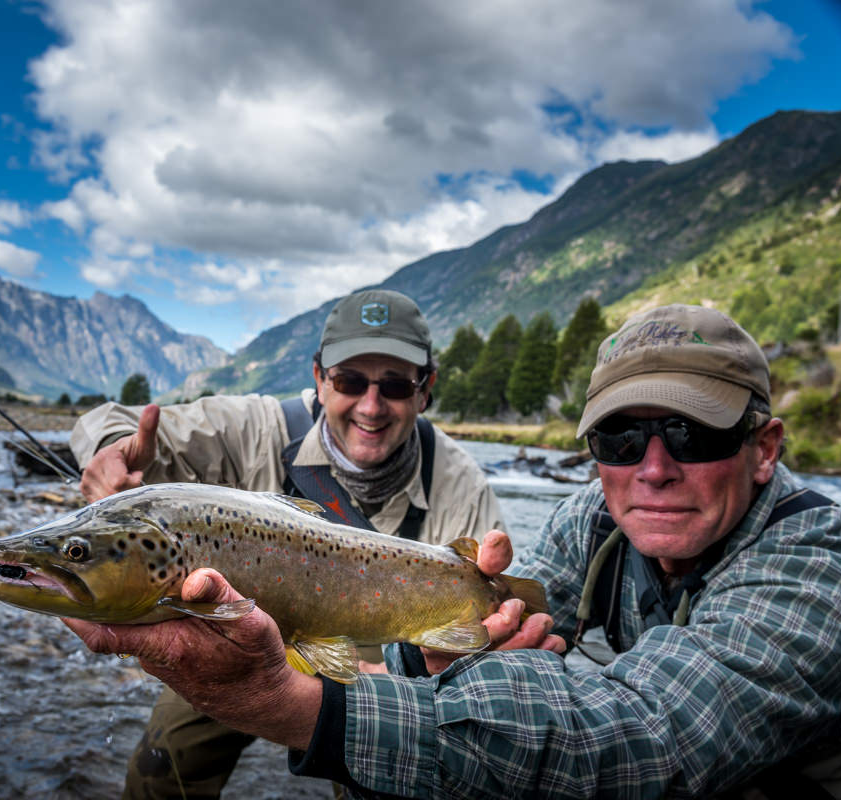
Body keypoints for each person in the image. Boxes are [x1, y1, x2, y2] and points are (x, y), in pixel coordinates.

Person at [66, 303, 841, 798]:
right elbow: (507, 642)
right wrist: (436, 665)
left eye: (690, 435)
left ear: (764, 447)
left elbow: (640, 741)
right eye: (622, 440)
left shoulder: (818, 582)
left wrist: (293, 704)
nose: (652, 470)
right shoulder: (596, 516)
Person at [69, 289, 559, 798]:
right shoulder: (257, 427)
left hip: (383, 655)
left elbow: (472, 644)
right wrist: (110, 456)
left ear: (425, 389)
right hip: (226, 637)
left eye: (394, 384)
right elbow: (111, 422)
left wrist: (480, 647)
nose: (372, 406)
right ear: (320, 378)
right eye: (349, 380)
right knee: (163, 767)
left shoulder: (460, 484)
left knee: (389, 776)